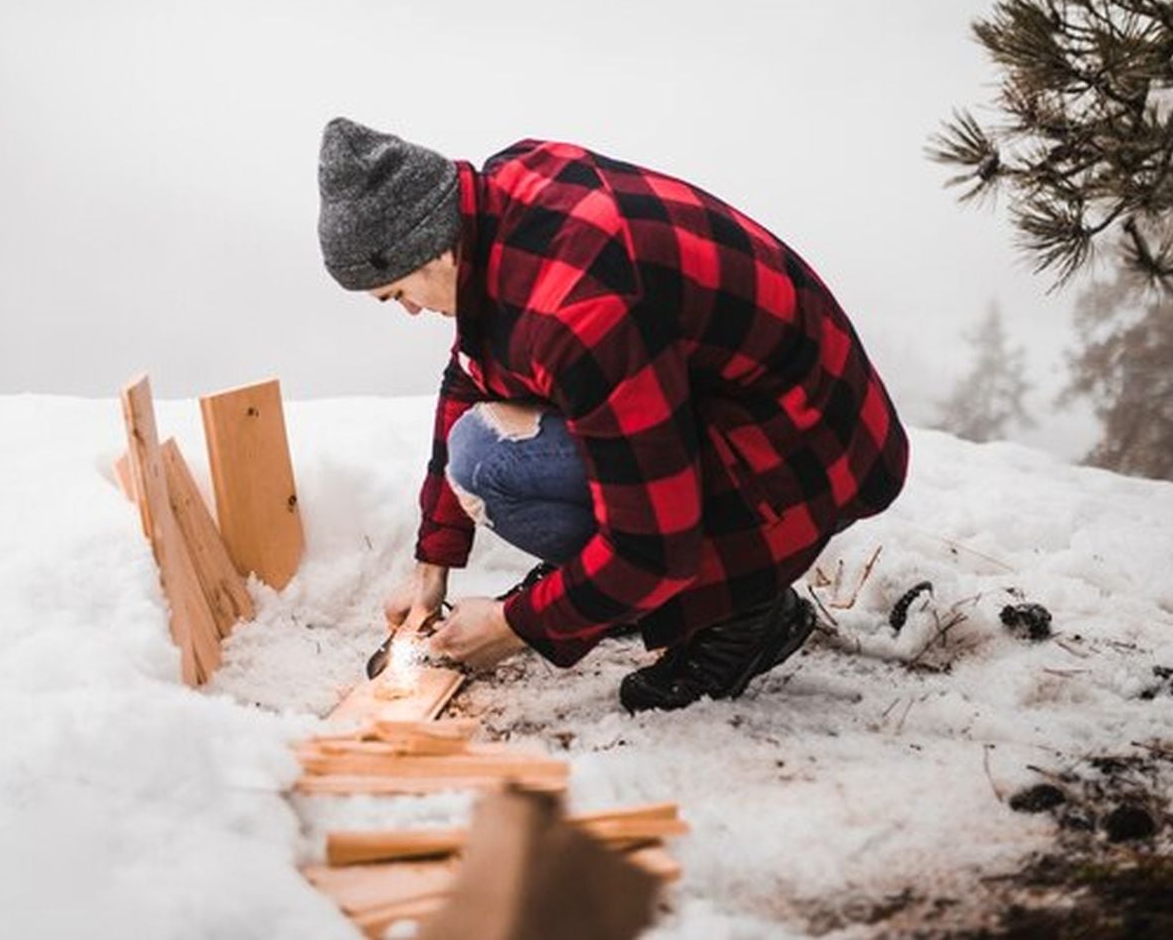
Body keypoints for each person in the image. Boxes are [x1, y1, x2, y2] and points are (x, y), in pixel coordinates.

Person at [316, 117, 909, 712]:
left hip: (811, 455)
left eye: (398, 293)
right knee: (479, 449)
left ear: (432, 248)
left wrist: (516, 625)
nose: (410, 311)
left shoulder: (581, 309)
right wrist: (433, 564)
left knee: (503, 472)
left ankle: (746, 615)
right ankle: (615, 593)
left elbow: (653, 544)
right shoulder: (504, 197)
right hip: (755, 408)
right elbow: (471, 373)